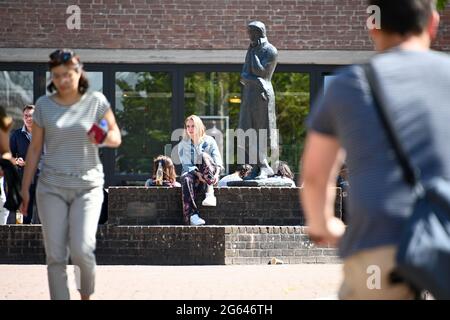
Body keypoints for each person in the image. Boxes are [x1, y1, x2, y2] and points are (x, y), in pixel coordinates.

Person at [301, 0, 450, 299]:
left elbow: (316, 176)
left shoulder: (350, 84)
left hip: (381, 242)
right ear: (433, 23)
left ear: (373, 26)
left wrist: (324, 224)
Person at [19, 49, 122, 300]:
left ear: (78, 72)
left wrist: (96, 133)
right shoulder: (44, 106)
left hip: (87, 186)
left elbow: (115, 137)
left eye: (67, 74)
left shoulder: (96, 101)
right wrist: (24, 189)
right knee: (55, 255)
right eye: (57, 75)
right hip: (51, 186)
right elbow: (34, 150)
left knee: (82, 249)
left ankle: (85, 296)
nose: (63, 80)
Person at [238, 21, 278, 180]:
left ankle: (261, 167)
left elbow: (261, 72)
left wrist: (253, 54)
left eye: (251, 33)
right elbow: (243, 76)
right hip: (249, 95)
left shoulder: (271, 51)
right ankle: (262, 166)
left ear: (259, 33)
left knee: (261, 133)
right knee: (245, 133)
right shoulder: (252, 49)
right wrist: (253, 79)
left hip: (263, 96)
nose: (249, 36)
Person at [178, 115, 223, 226]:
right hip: (195, 176)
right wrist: (198, 175)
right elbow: (187, 165)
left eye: (193, 126)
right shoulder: (183, 144)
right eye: (188, 126)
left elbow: (218, 161)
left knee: (203, 155)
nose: (190, 129)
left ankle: (210, 191)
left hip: (210, 175)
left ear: (199, 127)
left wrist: (216, 174)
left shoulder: (209, 141)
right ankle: (192, 215)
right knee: (186, 178)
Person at [10, 104, 39, 224]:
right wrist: (16, 161)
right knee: (26, 216)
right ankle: (26, 242)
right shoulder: (16, 135)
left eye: (31, 116)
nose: (28, 118)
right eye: (25, 116)